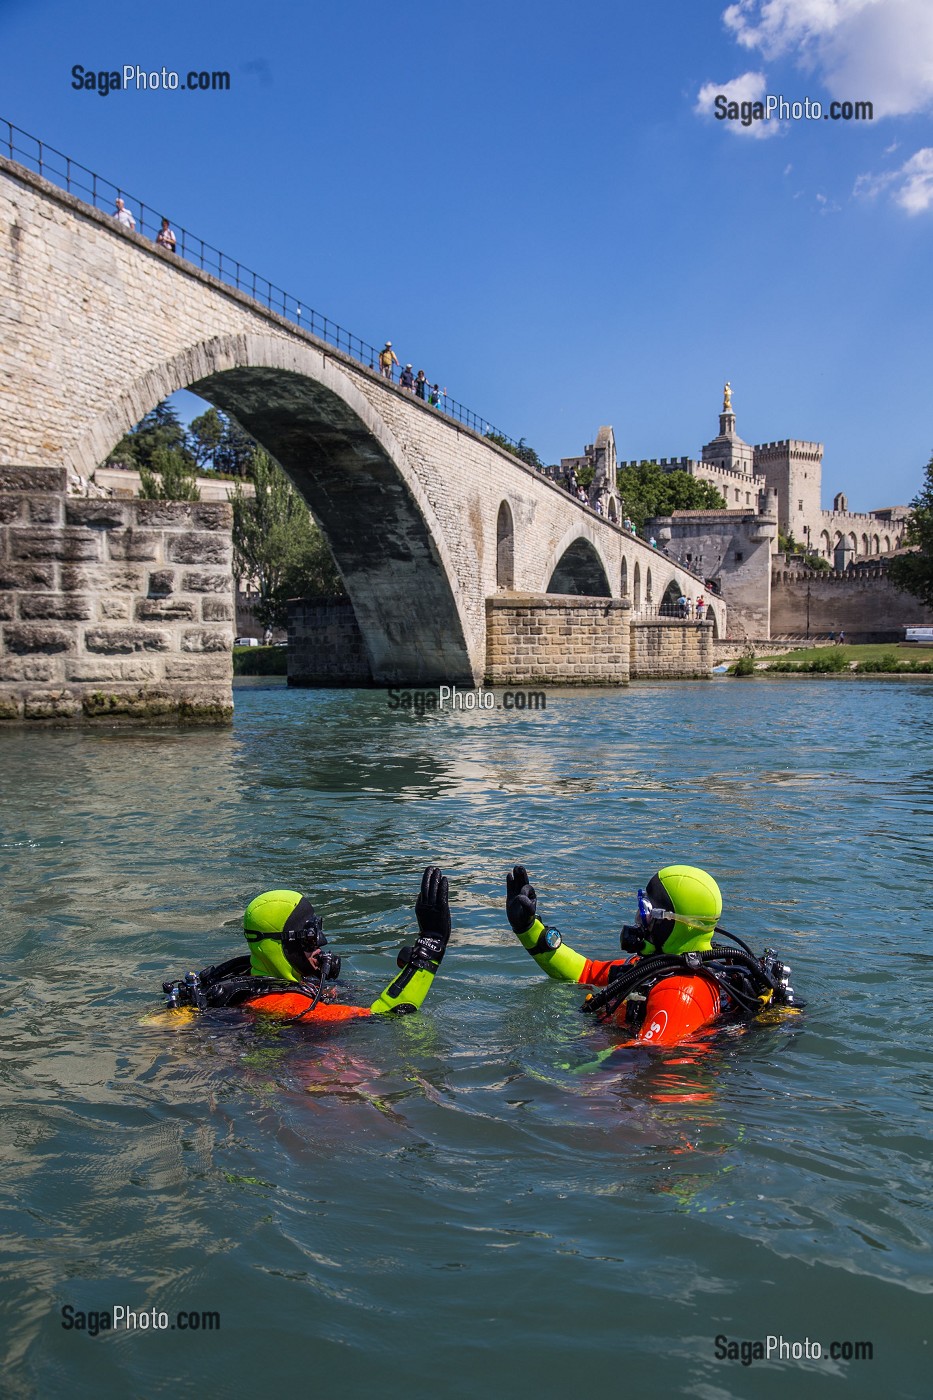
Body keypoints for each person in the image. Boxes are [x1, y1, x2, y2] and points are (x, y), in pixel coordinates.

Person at [505, 864, 798, 1046]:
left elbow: (645, 1058)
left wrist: (559, 1088)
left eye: (646, 912)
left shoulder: (681, 991)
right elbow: (584, 972)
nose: (637, 918)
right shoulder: (653, 967)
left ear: (672, 923)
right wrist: (528, 928)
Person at [162, 866, 452, 1023]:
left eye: (318, 931)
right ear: (280, 946)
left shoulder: (252, 975)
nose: (320, 945)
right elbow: (388, 1018)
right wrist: (430, 948)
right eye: (309, 936)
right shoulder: (283, 1003)